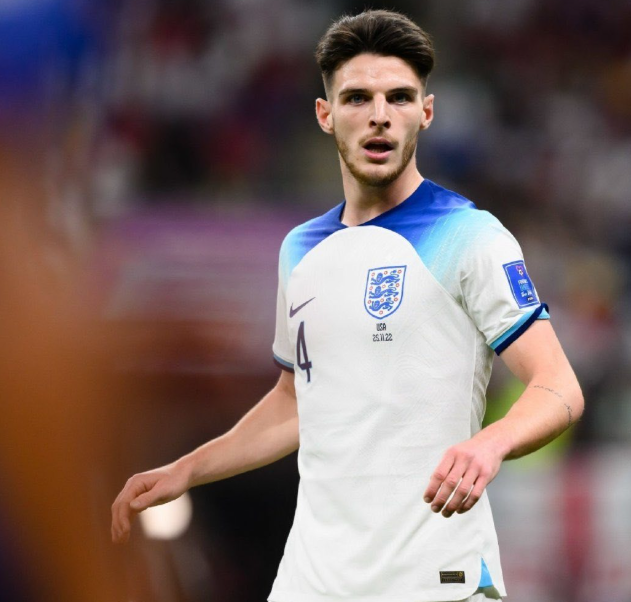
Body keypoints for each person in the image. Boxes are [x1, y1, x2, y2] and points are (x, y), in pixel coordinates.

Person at [111, 9, 583, 602]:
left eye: (399, 97)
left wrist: (491, 442)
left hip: (435, 580)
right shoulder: (299, 250)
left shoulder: (470, 236)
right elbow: (295, 401)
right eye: (357, 97)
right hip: (312, 581)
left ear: (425, 112)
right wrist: (188, 469)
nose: (379, 115)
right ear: (325, 114)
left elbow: (559, 386)